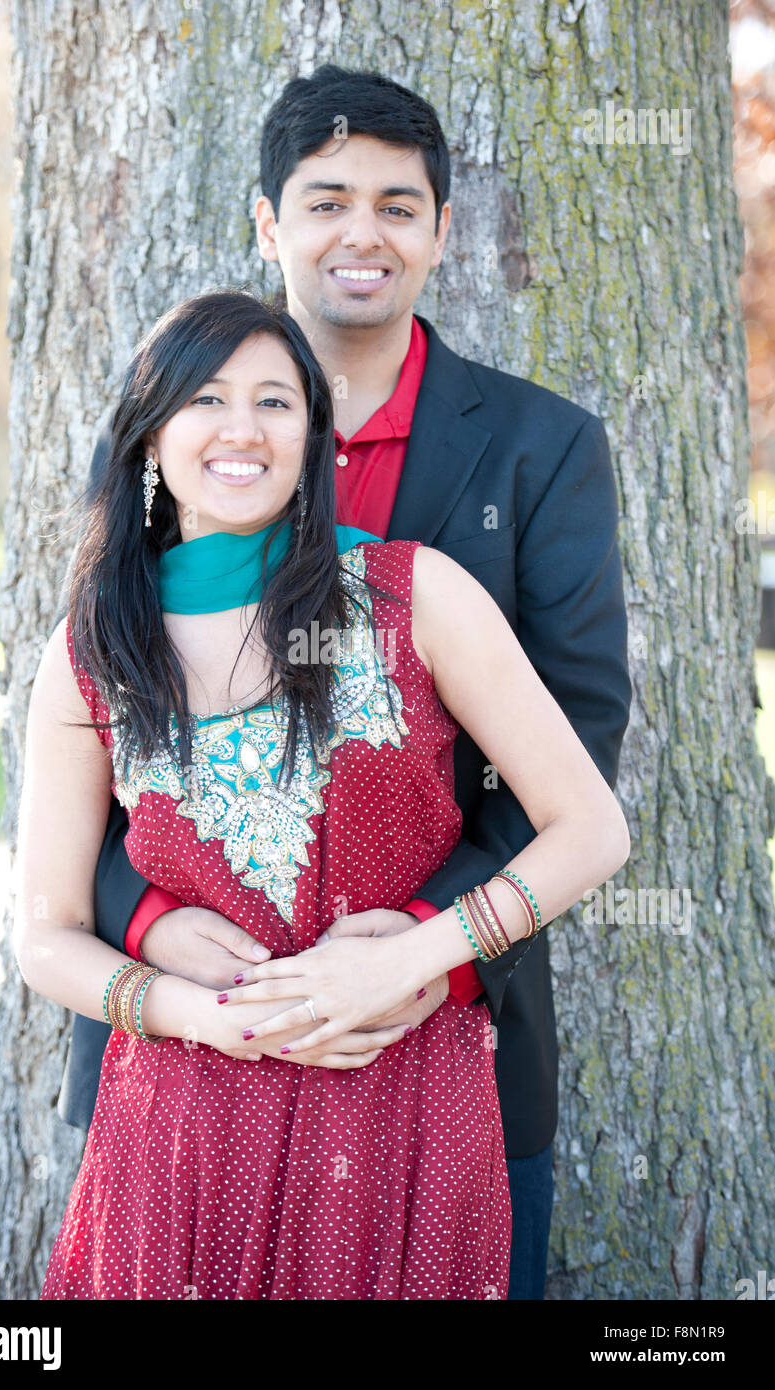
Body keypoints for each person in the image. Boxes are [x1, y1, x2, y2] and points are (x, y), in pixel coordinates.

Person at [55, 65, 633, 1299]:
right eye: (323, 201)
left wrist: (419, 950)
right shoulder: (165, 487)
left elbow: (574, 754)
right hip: (182, 1059)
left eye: (395, 204)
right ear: (268, 223)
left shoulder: (536, 454)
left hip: (429, 1042)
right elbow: (102, 774)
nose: (358, 233)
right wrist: (155, 933)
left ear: (437, 232)